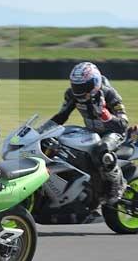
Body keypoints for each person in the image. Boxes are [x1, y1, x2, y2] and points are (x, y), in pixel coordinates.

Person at [41, 62, 130, 207]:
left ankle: (116, 187)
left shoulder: (109, 94)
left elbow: (123, 124)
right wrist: (40, 132)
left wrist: (106, 115)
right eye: (76, 86)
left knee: (101, 150)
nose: (78, 90)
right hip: (92, 132)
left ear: (95, 83)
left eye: (83, 87)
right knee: (59, 142)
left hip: (114, 132)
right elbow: (61, 116)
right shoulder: (72, 94)